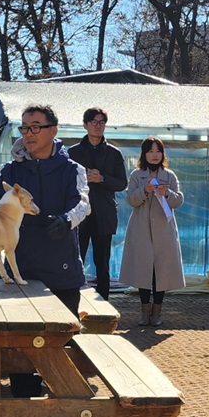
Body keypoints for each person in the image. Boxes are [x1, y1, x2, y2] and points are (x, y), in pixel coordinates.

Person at [0, 103, 89, 397]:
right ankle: (23, 399)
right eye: (24, 127)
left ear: (53, 130)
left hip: (61, 269)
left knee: (62, 341)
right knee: (20, 341)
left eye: (35, 127)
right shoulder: (11, 169)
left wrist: (66, 220)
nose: (28, 133)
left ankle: (65, 401)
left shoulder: (72, 169)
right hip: (22, 268)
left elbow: (83, 203)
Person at [120, 136, 185, 327]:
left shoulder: (170, 176)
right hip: (141, 229)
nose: (154, 155)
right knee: (143, 270)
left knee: (160, 271)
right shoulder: (136, 175)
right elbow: (131, 200)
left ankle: (157, 312)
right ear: (144, 154)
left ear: (163, 154)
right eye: (150, 151)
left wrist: (167, 193)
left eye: (158, 151)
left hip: (164, 230)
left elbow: (178, 201)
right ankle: (144, 312)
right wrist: (145, 190)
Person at [67, 107, 128, 300]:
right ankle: (73, 299)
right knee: (76, 259)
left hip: (104, 213)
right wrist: (84, 179)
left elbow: (122, 183)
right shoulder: (73, 152)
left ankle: (104, 304)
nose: (98, 125)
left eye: (101, 122)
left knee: (103, 263)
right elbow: (66, 182)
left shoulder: (113, 153)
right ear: (85, 125)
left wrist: (102, 178)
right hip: (80, 213)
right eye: (93, 122)